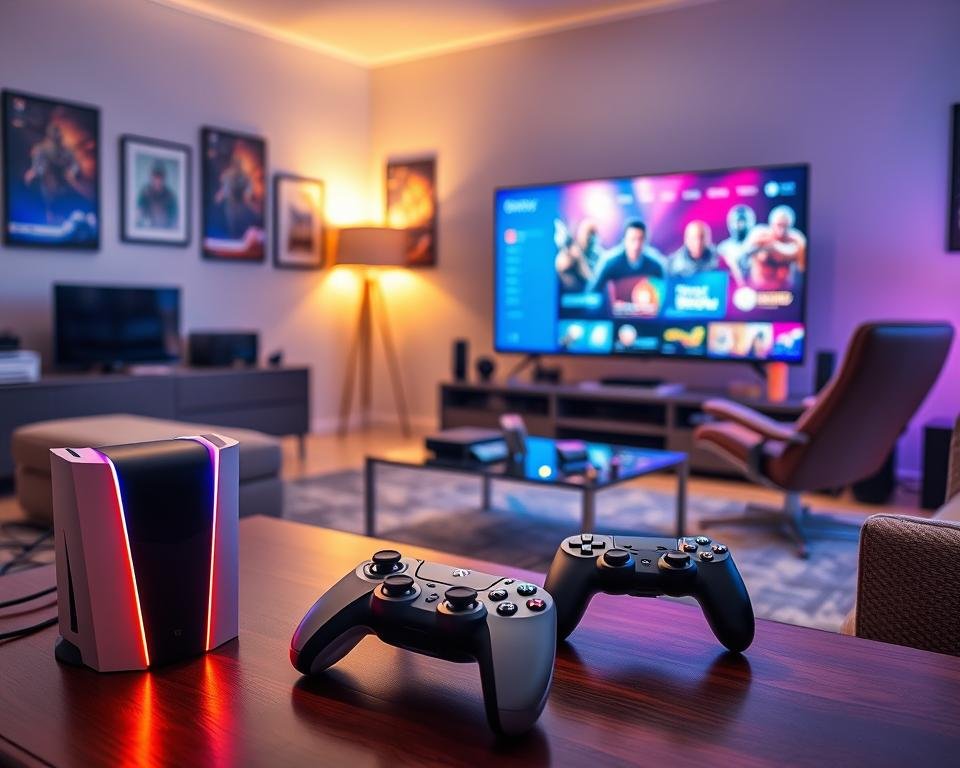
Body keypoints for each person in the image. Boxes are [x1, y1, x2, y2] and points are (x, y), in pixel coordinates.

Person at [23, 122, 83, 223]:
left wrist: (71, 172)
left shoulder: (67, 150)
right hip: (47, 178)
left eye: (58, 135)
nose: (57, 138)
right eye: (54, 135)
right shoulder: (40, 149)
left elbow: (75, 164)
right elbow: (38, 167)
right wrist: (35, 172)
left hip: (63, 180)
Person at [586, 219, 665, 294]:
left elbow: (664, 294)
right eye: (632, 239)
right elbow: (593, 293)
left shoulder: (656, 265)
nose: (636, 245)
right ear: (624, 240)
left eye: (640, 239)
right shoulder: (609, 263)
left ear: (646, 240)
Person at [742, 205, 807, 290]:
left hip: (785, 292)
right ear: (771, 223)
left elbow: (803, 268)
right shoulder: (758, 235)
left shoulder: (797, 240)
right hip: (758, 290)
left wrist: (775, 247)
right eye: (779, 225)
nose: (781, 231)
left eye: (785, 226)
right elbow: (743, 257)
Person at [214, 153, 256, 238]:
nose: (238, 166)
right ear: (233, 164)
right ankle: (232, 236)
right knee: (231, 221)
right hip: (231, 202)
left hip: (242, 203)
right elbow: (225, 188)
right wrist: (220, 195)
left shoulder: (245, 175)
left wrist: (247, 194)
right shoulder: (227, 174)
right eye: (236, 163)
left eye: (239, 164)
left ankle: (242, 236)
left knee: (243, 220)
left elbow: (249, 187)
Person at [555, 218, 601, 293]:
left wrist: (580, 259)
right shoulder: (569, 250)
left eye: (592, 235)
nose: (589, 238)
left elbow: (593, 281)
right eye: (586, 234)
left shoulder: (597, 256)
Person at [716, 204, 756, 285]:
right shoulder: (723, 248)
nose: (740, 225)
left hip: (756, 288)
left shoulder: (758, 244)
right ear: (730, 223)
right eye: (736, 221)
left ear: (751, 222)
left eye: (743, 221)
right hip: (732, 288)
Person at [136, 161, 177, 229]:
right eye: (155, 177)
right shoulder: (145, 193)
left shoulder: (170, 196)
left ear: (163, 178)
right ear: (151, 177)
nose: (157, 180)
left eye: (160, 177)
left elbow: (174, 218)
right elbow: (139, 213)